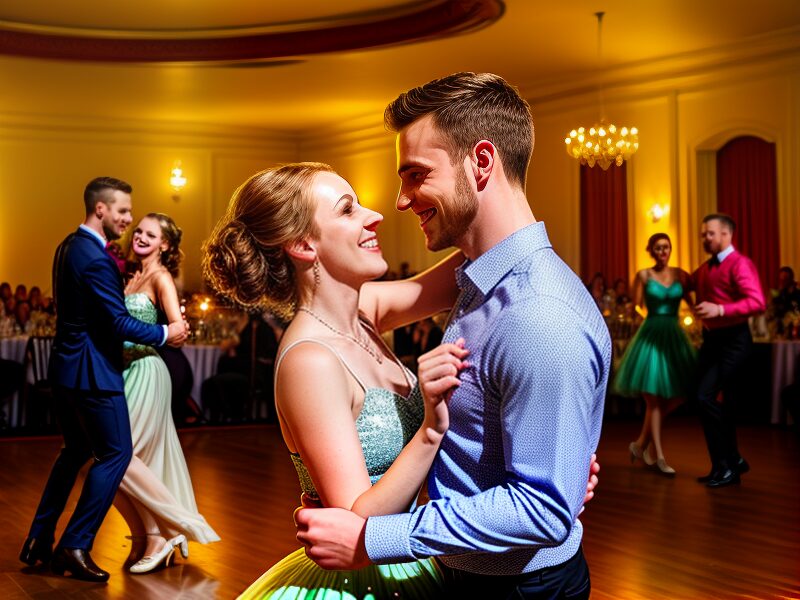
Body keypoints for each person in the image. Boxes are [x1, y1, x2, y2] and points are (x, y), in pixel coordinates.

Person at [295, 72, 610, 600]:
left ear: (481, 162)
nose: (400, 200)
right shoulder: (476, 275)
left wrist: (375, 536)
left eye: (416, 175)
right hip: (463, 575)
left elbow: (543, 511)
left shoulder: (539, 317)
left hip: (516, 589)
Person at [204, 162, 466, 598]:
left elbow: (462, 270)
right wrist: (430, 431)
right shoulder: (310, 361)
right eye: (348, 210)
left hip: (412, 562)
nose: (374, 216)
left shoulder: (366, 313)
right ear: (303, 244)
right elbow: (357, 524)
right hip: (360, 578)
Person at [19, 177, 188, 582]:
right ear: (101, 210)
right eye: (124, 212)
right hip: (94, 373)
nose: (129, 221)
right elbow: (115, 322)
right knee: (115, 455)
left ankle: (39, 540)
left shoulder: (68, 246)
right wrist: (166, 334)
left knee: (74, 452)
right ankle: (75, 545)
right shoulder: (96, 258)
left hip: (66, 370)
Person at [113, 212, 220, 574]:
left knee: (116, 458)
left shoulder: (160, 277)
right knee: (122, 463)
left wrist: (176, 329)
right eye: (139, 231)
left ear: (165, 245)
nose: (140, 237)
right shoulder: (131, 276)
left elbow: (177, 326)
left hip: (147, 370)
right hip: (125, 372)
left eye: (150, 234)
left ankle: (167, 532)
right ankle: (147, 536)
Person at [612, 233, 696, 475]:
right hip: (650, 334)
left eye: (666, 248)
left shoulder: (680, 274)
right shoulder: (643, 275)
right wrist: (637, 315)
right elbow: (635, 306)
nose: (663, 252)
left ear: (670, 249)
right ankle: (658, 456)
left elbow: (691, 302)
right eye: (658, 248)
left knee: (680, 395)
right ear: (651, 251)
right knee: (654, 400)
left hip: (674, 336)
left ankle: (640, 444)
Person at [692, 213, 766, 488]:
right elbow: (689, 282)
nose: (705, 238)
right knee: (708, 399)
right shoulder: (706, 268)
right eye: (703, 234)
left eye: (710, 233)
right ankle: (729, 462)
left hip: (735, 341)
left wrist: (720, 309)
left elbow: (757, 302)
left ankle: (727, 465)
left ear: (726, 235)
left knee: (705, 397)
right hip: (713, 341)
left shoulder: (740, 264)